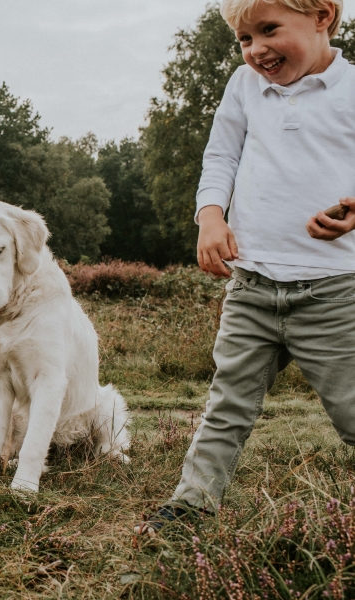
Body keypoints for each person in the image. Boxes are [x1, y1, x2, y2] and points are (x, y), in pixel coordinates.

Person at [137, 0, 355, 535]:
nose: (255, 49)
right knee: (227, 402)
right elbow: (221, 157)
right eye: (243, 38)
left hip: (333, 292)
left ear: (323, 16)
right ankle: (191, 503)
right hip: (252, 285)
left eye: (269, 30)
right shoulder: (244, 85)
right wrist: (211, 216)